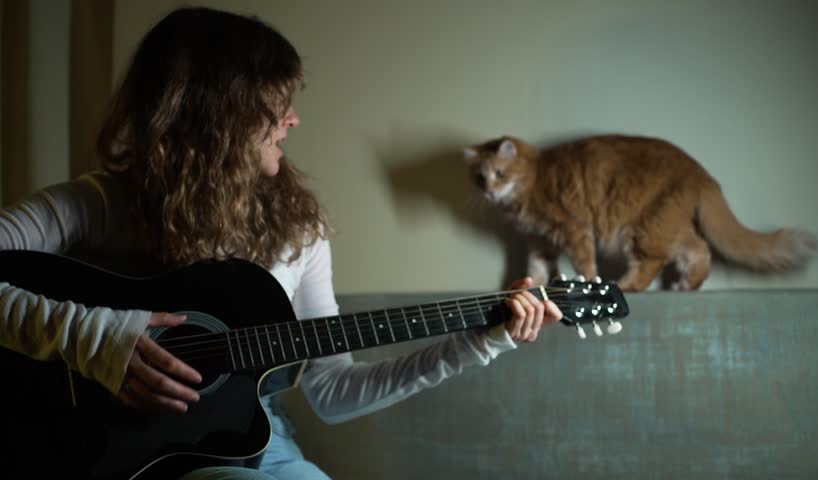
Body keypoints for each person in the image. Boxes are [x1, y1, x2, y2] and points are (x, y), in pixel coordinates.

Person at [0, 6, 563, 480]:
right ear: (217, 113)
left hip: (250, 449)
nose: (293, 120)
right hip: (86, 449)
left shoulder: (298, 230)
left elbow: (332, 391)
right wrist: (90, 338)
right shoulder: (99, 204)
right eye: (276, 104)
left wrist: (481, 342)